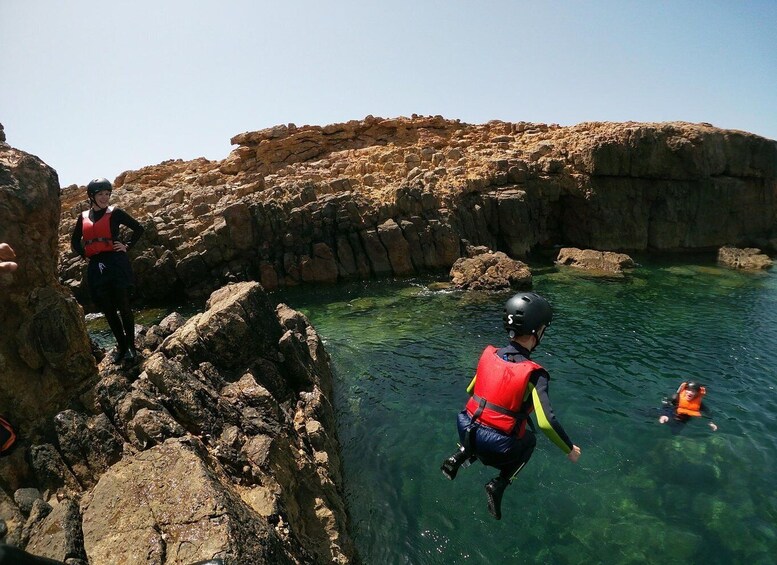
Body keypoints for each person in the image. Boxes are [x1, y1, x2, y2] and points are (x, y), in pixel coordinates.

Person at [440, 291, 581, 520]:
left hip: (465, 427)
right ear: (537, 331)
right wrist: (569, 449)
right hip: (497, 446)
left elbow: (471, 391)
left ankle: (459, 456)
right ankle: (499, 484)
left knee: (483, 420)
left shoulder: (490, 354)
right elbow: (546, 423)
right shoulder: (535, 374)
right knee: (530, 440)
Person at [70, 178, 144, 363]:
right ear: (91, 196)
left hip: (116, 263)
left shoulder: (116, 213)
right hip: (97, 266)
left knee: (123, 305)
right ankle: (121, 346)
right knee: (108, 310)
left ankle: (131, 347)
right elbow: (74, 242)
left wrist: (126, 245)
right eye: (100, 194)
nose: (104, 198)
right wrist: (85, 254)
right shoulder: (83, 217)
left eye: (107, 194)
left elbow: (139, 229)